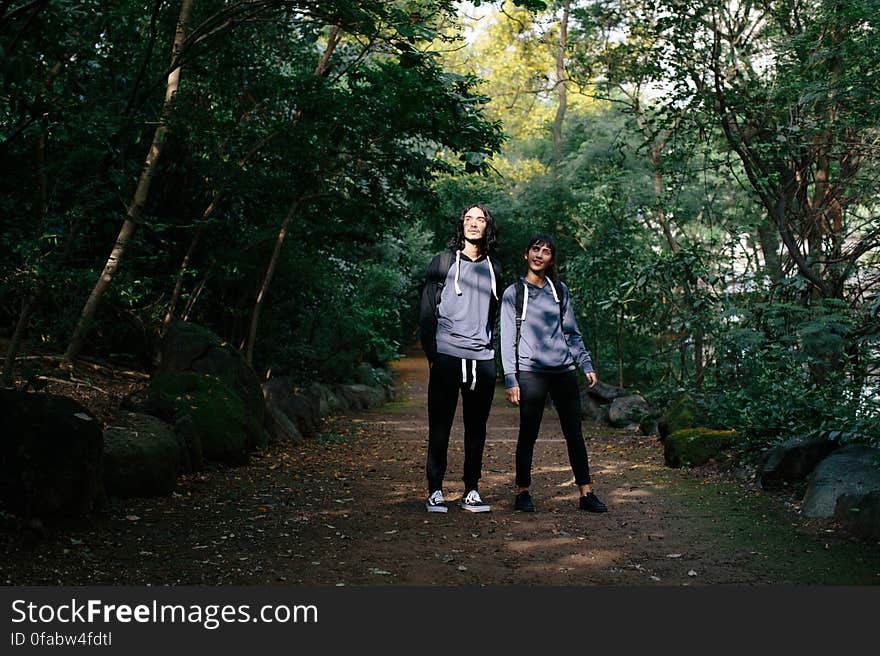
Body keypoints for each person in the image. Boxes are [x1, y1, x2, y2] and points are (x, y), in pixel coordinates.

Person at [500, 234, 608, 513]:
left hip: (563, 371)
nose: (540, 254)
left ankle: (586, 493)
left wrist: (586, 363)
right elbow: (507, 338)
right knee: (528, 433)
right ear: (526, 254)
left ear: (550, 260)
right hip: (531, 372)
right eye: (535, 249)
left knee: (574, 433)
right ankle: (523, 491)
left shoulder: (559, 290)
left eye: (546, 252)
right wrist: (511, 379)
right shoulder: (514, 293)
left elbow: (571, 332)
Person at [419, 204, 502, 513]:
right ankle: (435, 490)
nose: (473, 224)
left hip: (482, 359)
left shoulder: (495, 269)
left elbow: (492, 316)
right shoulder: (442, 263)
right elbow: (427, 310)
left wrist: (490, 351)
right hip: (447, 356)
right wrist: (433, 355)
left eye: (480, 219)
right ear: (461, 225)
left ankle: (471, 489)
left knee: (476, 428)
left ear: (487, 228)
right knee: (440, 426)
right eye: (468, 219)